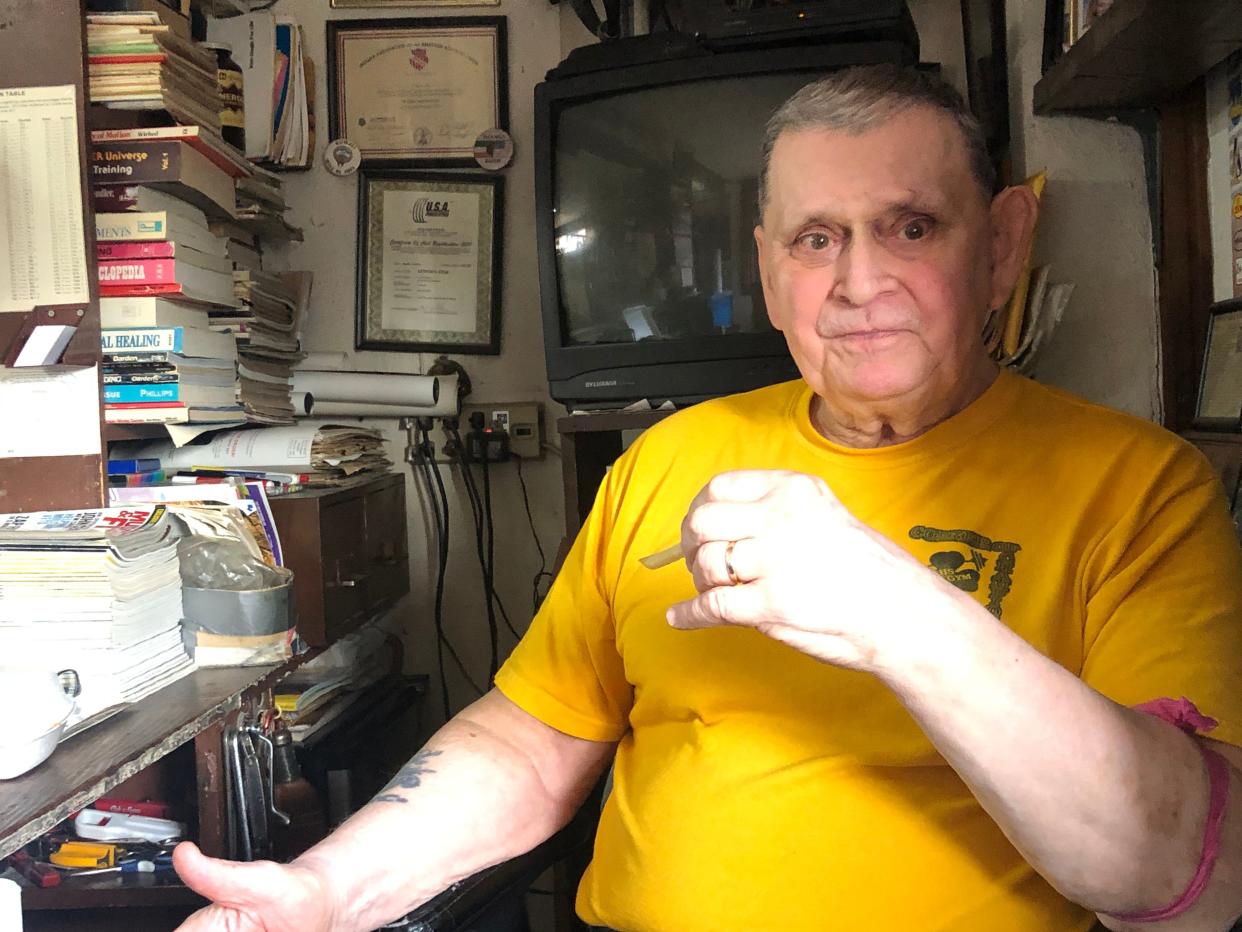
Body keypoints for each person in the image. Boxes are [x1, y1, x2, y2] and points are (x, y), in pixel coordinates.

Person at [173, 65, 1242, 932]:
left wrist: (897, 609)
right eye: (816, 238)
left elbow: (1187, 877)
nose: (859, 281)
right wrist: (324, 893)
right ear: (772, 274)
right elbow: (534, 740)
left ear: (1002, 246)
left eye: (911, 226)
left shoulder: (1141, 490)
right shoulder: (672, 456)